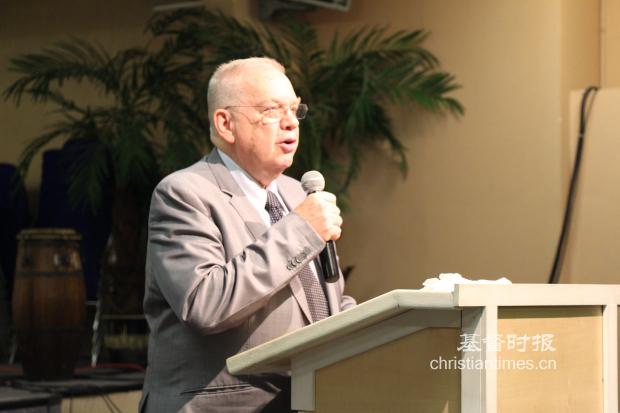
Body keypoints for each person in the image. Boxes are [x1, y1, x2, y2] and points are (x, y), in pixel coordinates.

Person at [140, 57, 356, 413]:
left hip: (307, 399)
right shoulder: (184, 193)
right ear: (226, 123)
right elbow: (205, 304)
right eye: (272, 110)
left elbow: (319, 303)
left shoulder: (297, 194)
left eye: (294, 108)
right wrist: (301, 230)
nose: (290, 122)